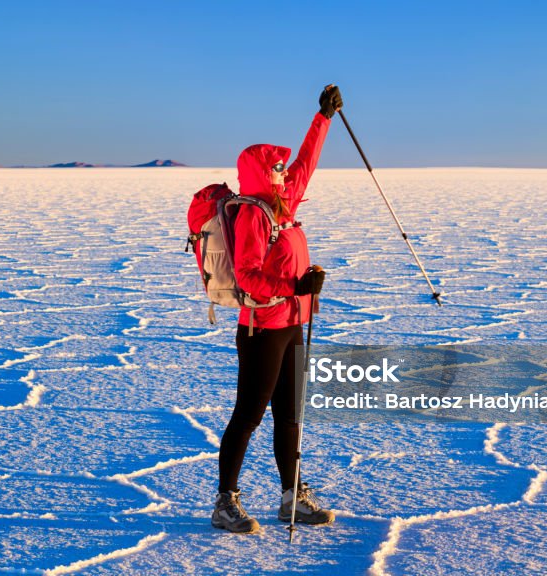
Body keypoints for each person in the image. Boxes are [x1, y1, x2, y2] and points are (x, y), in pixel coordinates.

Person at [212, 85, 342, 534]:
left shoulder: (284, 203)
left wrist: (322, 118)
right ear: (262, 173)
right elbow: (248, 275)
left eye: (284, 168)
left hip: (293, 325)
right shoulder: (254, 214)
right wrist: (296, 286)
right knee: (248, 416)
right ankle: (225, 502)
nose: (286, 173)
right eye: (277, 168)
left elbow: (307, 164)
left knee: (290, 417)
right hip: (262, 328)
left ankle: (293, 497)